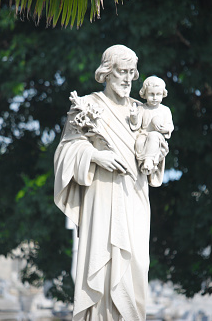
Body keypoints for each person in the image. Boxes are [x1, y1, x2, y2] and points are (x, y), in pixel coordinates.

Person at [54, 45, 162, 321]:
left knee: (136, 263)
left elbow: (158, 146)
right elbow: (65, 151)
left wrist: (155, 151)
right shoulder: (87, 106)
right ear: (106, 73)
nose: (127, 79)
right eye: (121, 72)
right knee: (100, 267)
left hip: (134, 197)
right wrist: (95, 156)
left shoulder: (142, 110)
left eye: (131, 73)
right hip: (100, 198)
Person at [129, 76, 174, 180]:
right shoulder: (142, 108)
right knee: (139, 142)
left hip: (157, 138)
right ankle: (142, 164)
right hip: (144, 135)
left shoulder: (165, 110)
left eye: (158, 94)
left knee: (153, 136)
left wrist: (163, 129)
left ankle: (149, 161)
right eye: (151, 94)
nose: (154, 97)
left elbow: (169, 127)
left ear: (163, 94)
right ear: (144, 94)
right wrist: (134, 116)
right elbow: (136, 124)